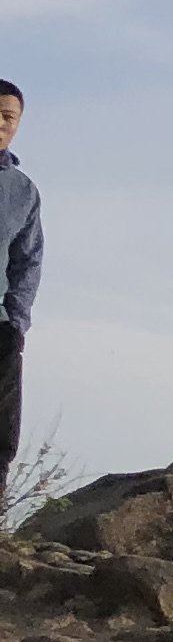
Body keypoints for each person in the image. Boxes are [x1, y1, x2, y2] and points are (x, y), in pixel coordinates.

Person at [0, 79, 33, 487]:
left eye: (9, 117)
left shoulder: (23, 192)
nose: (1, 123)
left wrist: (17, 322)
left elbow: (28, 260)